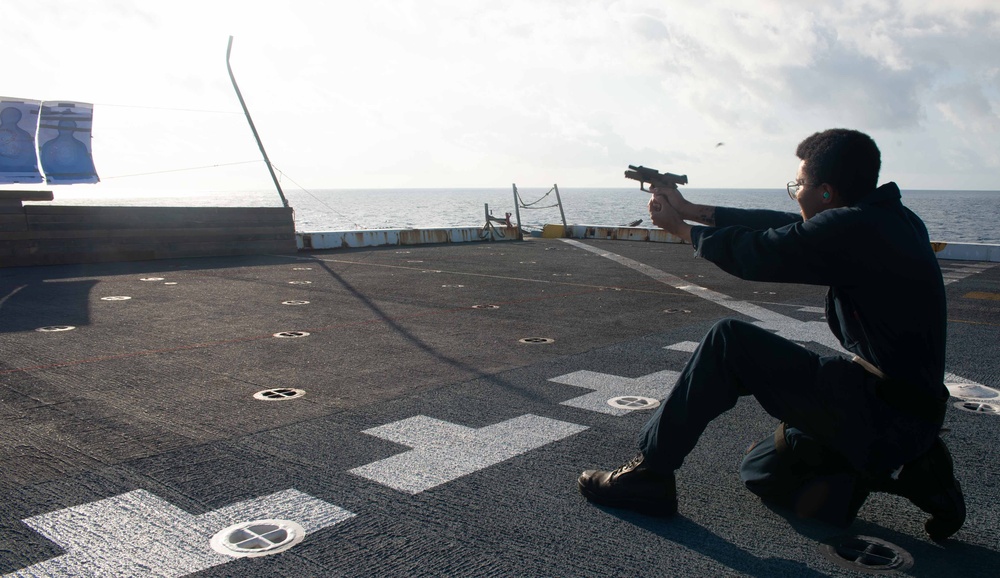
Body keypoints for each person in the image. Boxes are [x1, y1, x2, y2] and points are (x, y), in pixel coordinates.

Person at [577, 129, 966, 540]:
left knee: (729, 341)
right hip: (907, 406)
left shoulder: (854, 230)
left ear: (828, 193)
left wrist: (683, 230)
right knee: (764, 471)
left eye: (799, 185)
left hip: (883, 412)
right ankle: (918, 470)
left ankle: (650, 474)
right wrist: (693, 210)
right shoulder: (892, 220)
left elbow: (760, 253)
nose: (795, 193)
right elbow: (783, 226)